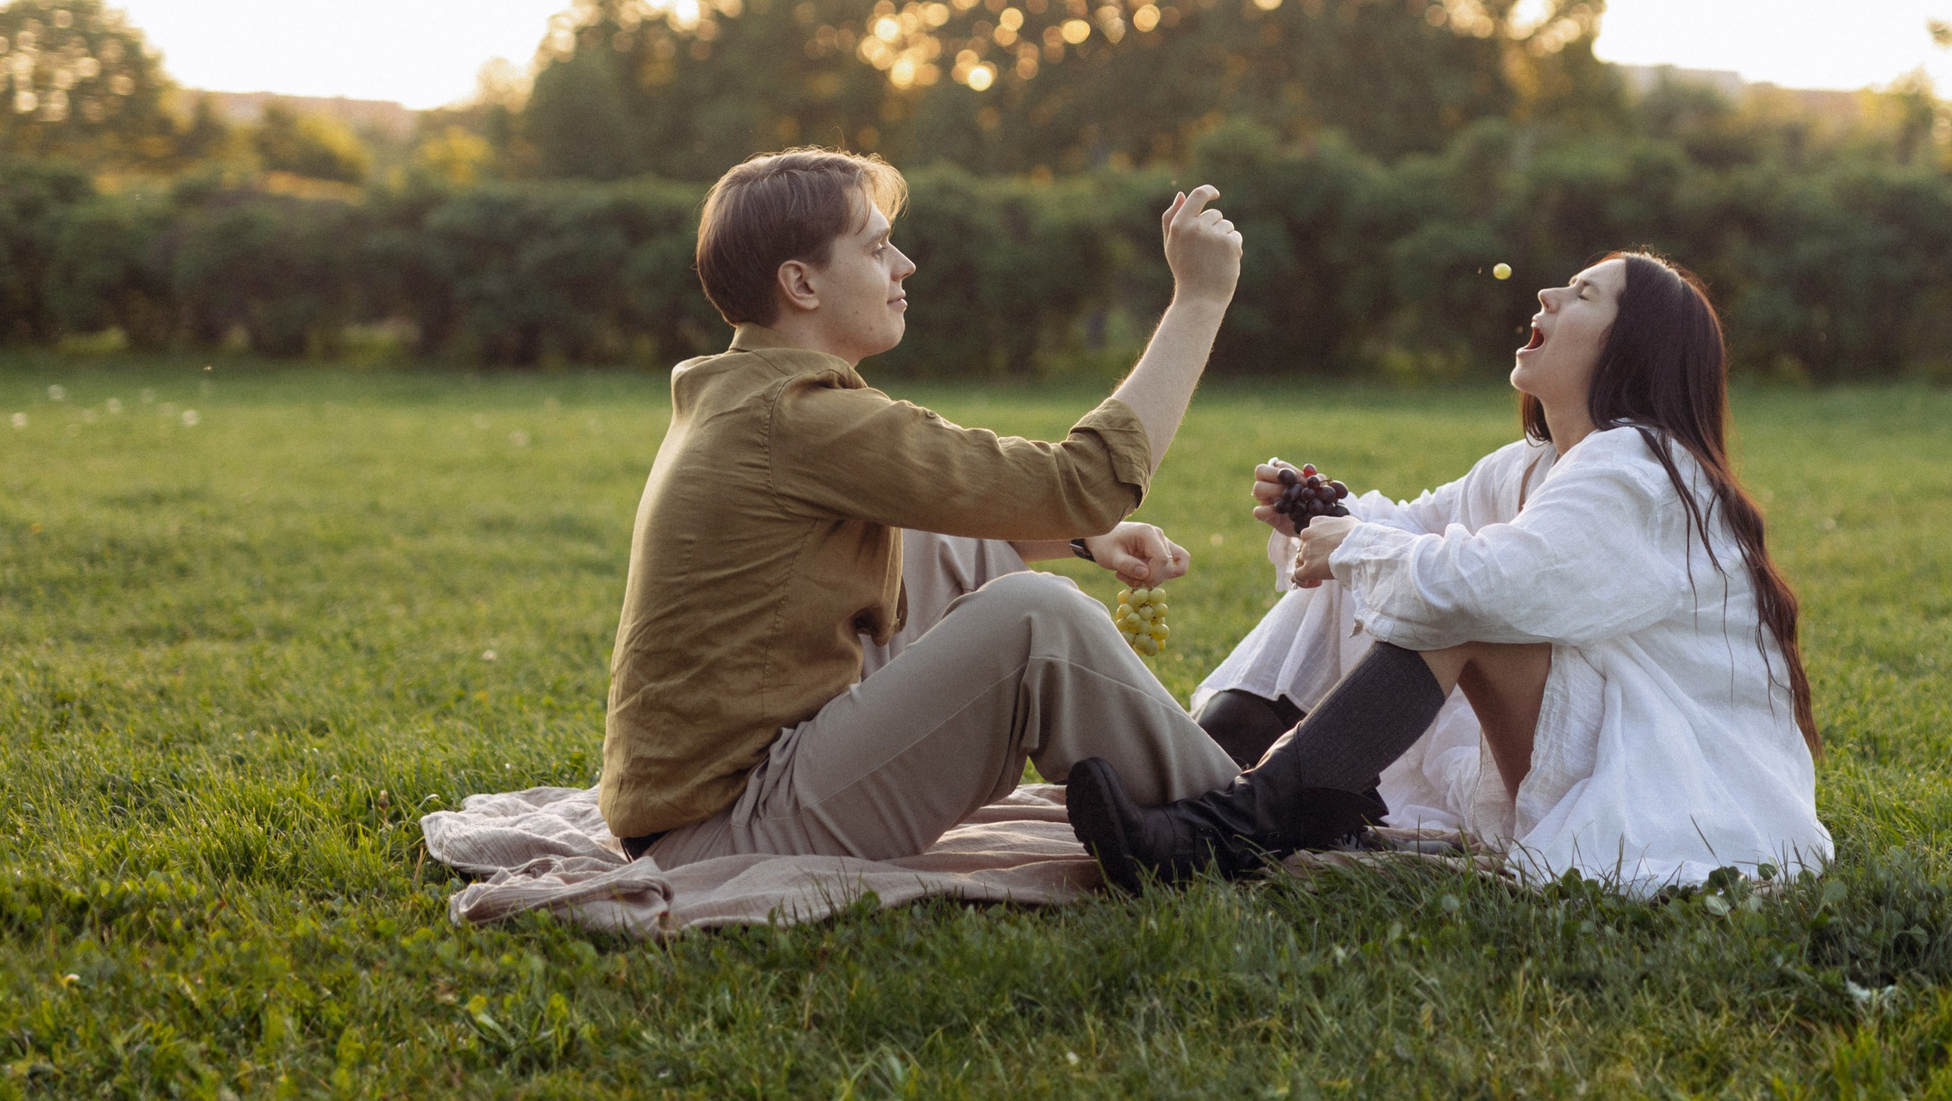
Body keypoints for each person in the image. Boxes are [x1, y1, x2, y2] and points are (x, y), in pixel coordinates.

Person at [1065, 251, 1831, 896]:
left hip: (1654, 782)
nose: (1548, 295)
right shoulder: (1533, 465)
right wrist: (1325, 515)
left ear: (1634, 348)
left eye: (1584, 294)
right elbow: (1412, 532)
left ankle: (1223, 831)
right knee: (1375, 564)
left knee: (1450, 603)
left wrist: (1355, 543)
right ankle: (1204, 766)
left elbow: (1495, 586)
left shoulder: (1646, 472)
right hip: (1567, 742)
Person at [596, 148, 1245, 866]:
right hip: (728, 830)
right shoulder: (804, 420)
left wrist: (1088, 539)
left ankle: (1202, 797)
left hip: (701, 806)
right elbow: (1086, 482)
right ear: (801, 282)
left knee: (930, 538)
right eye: (876, 248)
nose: (904, 264)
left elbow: (995, 510)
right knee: (1037, 620)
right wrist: (1199, 300)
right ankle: (1246, 817)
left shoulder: (750, 395)